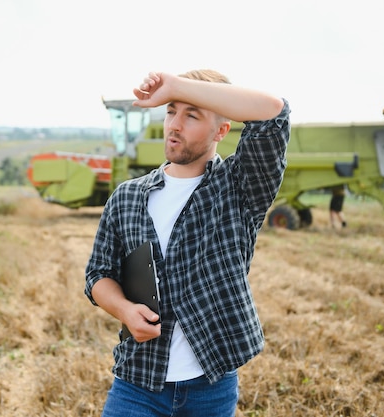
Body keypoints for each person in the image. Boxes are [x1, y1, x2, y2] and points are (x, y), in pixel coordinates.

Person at [85, 70, 291, 417]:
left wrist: (176, 85)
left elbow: (274, 113)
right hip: (138, 381)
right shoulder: (127, 197)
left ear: (222, 130)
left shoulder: (239, 189)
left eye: (192, 115)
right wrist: (124, 310)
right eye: (170, 111)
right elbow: (98, 275)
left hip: (210, 387)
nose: (174, 125)